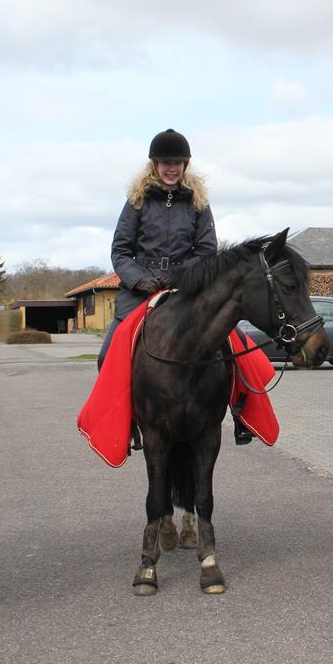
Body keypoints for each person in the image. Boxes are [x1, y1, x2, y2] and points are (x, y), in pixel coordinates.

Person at [98, 129, 220, 445]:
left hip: (184, 286)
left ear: (185, 165)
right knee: (106, 357)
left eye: (177, 162)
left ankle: (240, 411)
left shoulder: (198, 202)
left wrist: (181, 275)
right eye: (166, 162)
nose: (171, 168)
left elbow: (207, 250)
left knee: (231, 341)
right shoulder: (137, 200)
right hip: (140, 288)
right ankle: (127, 422)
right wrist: (140, 279)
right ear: (154, 164)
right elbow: (120, 251)